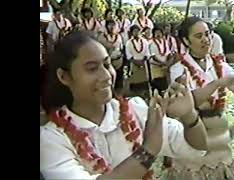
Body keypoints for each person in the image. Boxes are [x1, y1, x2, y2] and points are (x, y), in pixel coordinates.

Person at [40, 31, 208, 180]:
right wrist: (148, 149)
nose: (106, 76)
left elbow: (197, 148)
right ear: (64, 76)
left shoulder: (136, 111)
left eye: (107, 64)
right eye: (92, 68)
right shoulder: (52, 138)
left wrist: (189, 115)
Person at [166, 16, 234, 180]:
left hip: (218, 138)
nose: (206, 40)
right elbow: (188, 102)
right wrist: (217, 83)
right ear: (185, 40)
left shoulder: (219, 64)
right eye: (199, 36)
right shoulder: (178, 69)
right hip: (192, 135)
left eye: (208, 34)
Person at [97, 20, 124, 90]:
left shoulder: (119, 36)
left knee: (119, 81)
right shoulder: (102, 37)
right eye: (110, 25)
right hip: (107, 63)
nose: (112, 27)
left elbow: (120, 48)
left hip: (118, 62)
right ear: (106, 26)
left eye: (113, 25)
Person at [125, 25, 151, 92]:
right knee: (135, 81)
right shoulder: (129, 43)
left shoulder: (144, 41)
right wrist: (136, 62)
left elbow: (147, 52)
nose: (136, 32)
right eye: (134, 31)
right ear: (131, 32)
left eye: (137, 31)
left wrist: (142, 61)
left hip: (143, 63)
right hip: (134, 63)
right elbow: (129, 55)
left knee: (144, 82)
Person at [149, 25, 171, 92]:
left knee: (165, 83)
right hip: (156, 65)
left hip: (165, 65)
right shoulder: (152, 43)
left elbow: (168, 53)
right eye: (156, 33)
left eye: (159, 32)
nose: (158, 34)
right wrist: (161, 63)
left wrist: (167, 62)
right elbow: (153, 56)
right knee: (158, 83)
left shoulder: (165, 42)